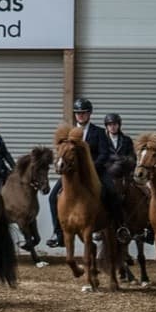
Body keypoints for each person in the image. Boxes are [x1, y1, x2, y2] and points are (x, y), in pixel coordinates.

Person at [46, 98, 127, 247]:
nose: (81, 115)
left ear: (89, 114)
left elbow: (104, 154)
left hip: (96, 171)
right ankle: (58, 234)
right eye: (78, 113)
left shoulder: (99, 132)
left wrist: (91, 167)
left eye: (84, 113)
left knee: (112, 193)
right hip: (72, 173)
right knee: (52, 197)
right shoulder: (68, 134)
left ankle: (120, 227)